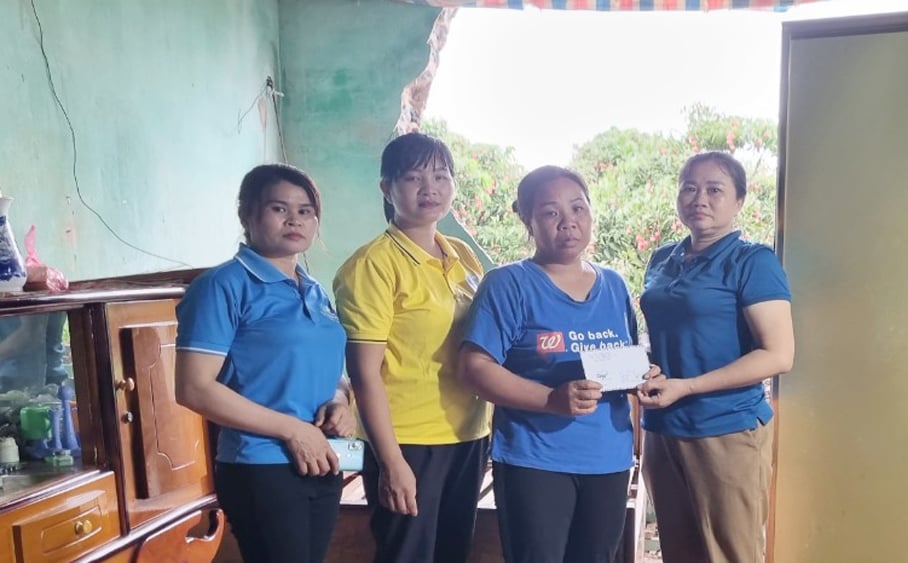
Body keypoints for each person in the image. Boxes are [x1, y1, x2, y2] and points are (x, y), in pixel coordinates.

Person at [460, 165, 660, 563]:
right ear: (527, 219)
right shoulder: (508, 284)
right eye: (551, 212)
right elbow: (474, 368)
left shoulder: (615, 284)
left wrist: (643, 375)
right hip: (535, 459)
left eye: (578, 209)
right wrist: (551, 398)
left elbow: (625, 359)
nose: (568, 222)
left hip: (608, 458)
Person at [174, 163, 354, 563]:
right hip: (262, 464)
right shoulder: (223, 286)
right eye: (279, 208)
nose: (295, 219)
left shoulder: (314, 289)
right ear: (247, 215)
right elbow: (193, 388)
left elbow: (331, 371)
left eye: (306, 210)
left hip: (323, 456)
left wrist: (341, 402)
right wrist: (291, 430)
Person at [332, 132, 491, 563]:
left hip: (469, 433)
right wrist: (391, 462)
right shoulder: (372, 266)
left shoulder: (460, 254)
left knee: (452, 553)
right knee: (408, 555)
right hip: (409, 440)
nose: (430, 188)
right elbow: (364, 374)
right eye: (415, 177)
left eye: (441, 176)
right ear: (387, 188)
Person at [636, 151, 795, 563]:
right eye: (689, 187)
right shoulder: (661, 260)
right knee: (679, 551)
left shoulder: (751, 261)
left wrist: (688, 386)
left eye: (714, 189)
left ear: (739, 201)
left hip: (725, 430)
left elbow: (779, 355)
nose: (699, 199)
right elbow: (671, 338)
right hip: (663, 429)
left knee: (730, 554)